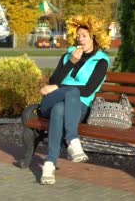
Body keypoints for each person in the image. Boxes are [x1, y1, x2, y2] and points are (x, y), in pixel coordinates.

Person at [39, 14, 111, 185]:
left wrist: (57, 87)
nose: (80, 39)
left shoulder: (101, 61)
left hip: (80, 106)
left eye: (84, 35)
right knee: (67, 95)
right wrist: (71, 62)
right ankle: (72, 140)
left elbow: (87, 91)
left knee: (60, 109)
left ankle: (49, 163)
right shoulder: (68, 55)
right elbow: (53, 80)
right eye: (78, 35)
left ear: (94, 38)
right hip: (50, 101)